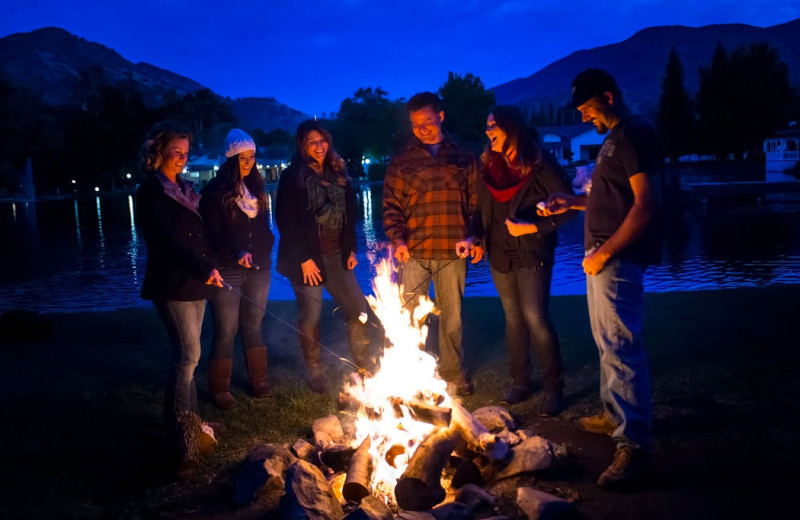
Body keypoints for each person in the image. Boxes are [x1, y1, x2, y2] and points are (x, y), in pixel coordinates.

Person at [539, 68, 661, 488]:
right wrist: (569, 203)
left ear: (609, 97)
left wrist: (605, 252)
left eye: (589, 109)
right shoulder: (613, 138)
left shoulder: (635, 134)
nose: (586, 118)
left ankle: (635, 447)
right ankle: (614, 415)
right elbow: (608, 198)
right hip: (600, 259)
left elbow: (644, 205)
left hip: (617, 259)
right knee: (606, 342)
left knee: (621, 346)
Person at [456, 106, 574, 414]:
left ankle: (553, 387)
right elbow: (481, 212)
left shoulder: (537, 163)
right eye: (487, 125)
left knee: (535, 316)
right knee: (513, 318)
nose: (487, 130)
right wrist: (472, 237)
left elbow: (570, 205)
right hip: (499, 253)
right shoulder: (488, 166)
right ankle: (521, 381)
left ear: (512, 128)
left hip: (533, 251)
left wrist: (534, 226)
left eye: (493, 125)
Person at [135, 122, 224, 478]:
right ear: (158, 152)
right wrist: (202, 266)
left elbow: (200, 234)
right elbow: (166, 241)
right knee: (186, 356)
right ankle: (178, 435)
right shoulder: (151, 191)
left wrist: (213, 262)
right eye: (177, 152)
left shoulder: (184, 189)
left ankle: (191, 423)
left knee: (192, 356)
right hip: (172, 281)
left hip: (195, 280)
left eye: (186, 153)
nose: (183, 159)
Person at [383, 92, 480, 396]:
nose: (422, 128)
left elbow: (477, 204)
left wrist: (474, 237)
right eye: (415, 124)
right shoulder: (402, 161)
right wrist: (398, 240)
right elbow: (391, 207)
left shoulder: (464, 156)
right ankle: (412, 373)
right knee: (411, 318)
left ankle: (453, 374)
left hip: (453, 251)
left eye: (427, 121)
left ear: (441, 116)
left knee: (452, 318)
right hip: (414, 253)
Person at [275, 120, 370, 393]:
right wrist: (304, 259)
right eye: (312, 142)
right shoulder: (292, 176)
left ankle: (361, 366)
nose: (319, 147)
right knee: (311, 314)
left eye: (322, 141)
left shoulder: (338, 172)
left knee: (359, 310)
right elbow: (286, 221)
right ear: (303, 146)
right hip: (305, 259)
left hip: (338, 255)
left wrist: (351, 248)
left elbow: (349, 217)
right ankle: (314, 369)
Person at [199, 129, 275, 410]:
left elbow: (263, 229)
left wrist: (264, 252)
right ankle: (220, 389)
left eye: (252, 156)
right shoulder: (215, 192)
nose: (248, 162)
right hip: (227, 269)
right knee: (226, 329)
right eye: (242, 157)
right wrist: (236, 252)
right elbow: (212, 234)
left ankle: (259, 380)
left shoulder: (257, 189)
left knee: (253, 325)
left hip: (258, 269)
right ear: (231, 158)